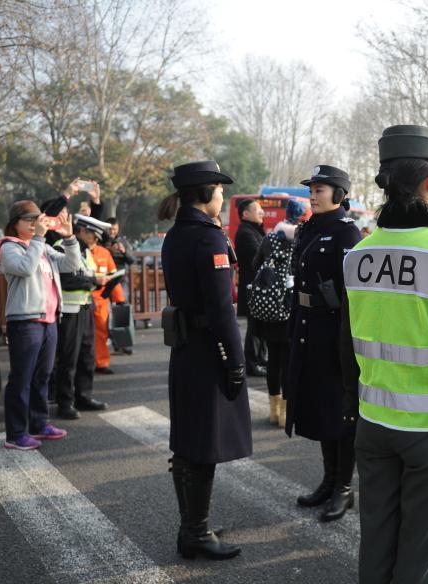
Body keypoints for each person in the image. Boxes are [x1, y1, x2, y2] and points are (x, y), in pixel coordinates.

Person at [339, 124, 428, 584]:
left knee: (377, 542)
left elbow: (350, 347)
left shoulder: (358, 253)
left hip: (373, 423)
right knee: (420, 557)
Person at [158, 160, 250, 560]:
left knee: (189, 439)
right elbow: (221, 309)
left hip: (185, 349)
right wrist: (236, 360)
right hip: (208, 348)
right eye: (220, 190)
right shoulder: (208, 239)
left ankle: (193, 526)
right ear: (205, 194)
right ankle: (194, 531)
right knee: (202, 443)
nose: (223, 197)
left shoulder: (177, 234)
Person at [286, 164, 363, 523]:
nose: (312, 195)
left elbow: (353, 295)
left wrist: (346, 344)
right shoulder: (310, 229)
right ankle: (329, 479)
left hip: (334, 333)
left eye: (320, 190)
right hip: (308, 329)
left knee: (340, 411)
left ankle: (344, 488)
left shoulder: (347, 234)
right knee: (320, 408)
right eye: (311, 190)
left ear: (340, 194)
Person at [0, 201, 82, 450]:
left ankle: (39, 424)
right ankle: (16, 433)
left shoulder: (40, 246)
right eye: (29, 220)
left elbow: (70, 265)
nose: (35, 225)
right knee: (21, 378)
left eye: (37, 220)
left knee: (42, 376)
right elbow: (24, 268)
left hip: (49, 319)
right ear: (15, 224)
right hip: (25, 321)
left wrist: (70, 237)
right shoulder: (8, 247)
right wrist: (39, 239)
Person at [252, 199, 307, 427]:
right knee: (288, 360)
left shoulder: (270, 238)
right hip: (290, 306)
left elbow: (257, 265)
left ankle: (274, 410)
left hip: (269, 307)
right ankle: (285, 412)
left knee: (273, 359)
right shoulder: (301, 238)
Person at [51, 214, 112, 418]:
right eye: (93, 235)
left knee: (87, 357)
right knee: (68, 360)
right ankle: (65, 402)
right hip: (69, 312)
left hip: (85, 308)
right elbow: (67, 281)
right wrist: (94, 280)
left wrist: (94, 280)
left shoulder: (86, 251)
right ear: (82, 231)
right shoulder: (62, 247)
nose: (95, 240)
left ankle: (84, 397)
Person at [235, 198, 268, 376]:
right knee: (254, 328)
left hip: (258, 288)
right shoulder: (246, 233)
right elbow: (259, 258)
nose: (262, 212)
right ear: (245, 214)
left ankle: (261, 360)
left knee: (260, 326)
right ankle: (252, 363)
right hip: (252, 288)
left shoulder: (254, 231)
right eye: (258, 210)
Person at [89, 217, 126, 375]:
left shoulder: (104, 253)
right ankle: (85, 363)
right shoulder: (79, 251)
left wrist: (120, 299)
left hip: (102, 300)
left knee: (102, 333)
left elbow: (113, 276)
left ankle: (101, 363)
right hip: (83, 299)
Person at [105, 216, 135, 355]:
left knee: (123, 313)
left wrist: (123, 251)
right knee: (107, 315)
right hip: (105, 282)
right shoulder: (101, 241)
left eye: (114, 229)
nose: (112, 231)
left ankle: (125, 343)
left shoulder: (123, 241)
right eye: (110, 229)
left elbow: (131, 260)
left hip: (120, 281)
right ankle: (115, 342)